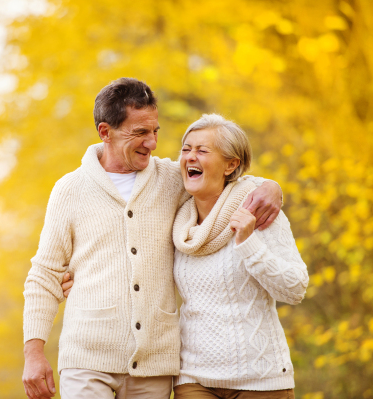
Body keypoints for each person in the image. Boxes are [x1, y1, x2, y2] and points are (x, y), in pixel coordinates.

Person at [23, 78, 283, 399]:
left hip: (155, 366)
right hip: (87, 359)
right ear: (105, 132)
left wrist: (271, 187)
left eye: (155, 131)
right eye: (140, 133)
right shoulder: (70, 190)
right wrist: (34, 353)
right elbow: (45, 274)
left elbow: (225, 177)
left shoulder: (170, 178)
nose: (152, 143)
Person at [62, 113, 308, 399]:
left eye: (202, 150)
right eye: (186, 149)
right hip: (193, 379)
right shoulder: (178, 221)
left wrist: (249, 242)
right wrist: (82, 281)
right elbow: (137, 261)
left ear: (231, 164)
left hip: (260, 379)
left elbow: (294, 288)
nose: (191, 157)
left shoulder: (258, 214)